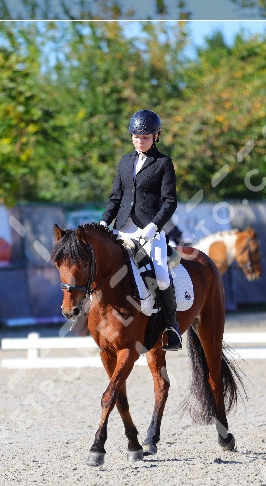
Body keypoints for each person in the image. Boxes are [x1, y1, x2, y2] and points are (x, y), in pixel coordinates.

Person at [100, 109, 182, 350]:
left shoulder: (163, 163)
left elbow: (170, 201)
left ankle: (171, 327)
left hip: (149, 231)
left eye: (145, 137)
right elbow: (116, 197)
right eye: (136, 137)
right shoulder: (125, 161)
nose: (139, 141)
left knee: (162, 278)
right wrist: (105, 222)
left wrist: (154, 226)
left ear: (156, 136)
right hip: (122, 229)